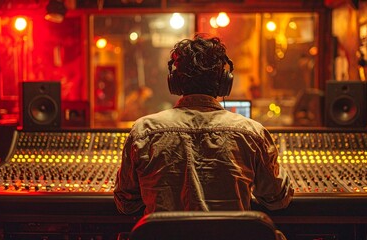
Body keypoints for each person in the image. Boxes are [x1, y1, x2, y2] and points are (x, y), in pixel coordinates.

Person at [114, 34, 294, 215]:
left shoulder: (143, 132)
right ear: (224, 82)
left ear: (174, 82)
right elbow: (277, 199)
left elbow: (126, 203)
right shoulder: (252, 134)